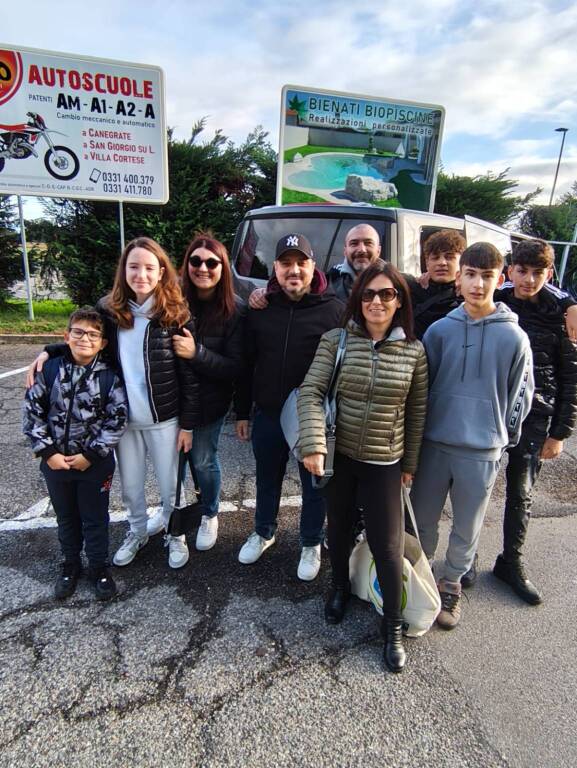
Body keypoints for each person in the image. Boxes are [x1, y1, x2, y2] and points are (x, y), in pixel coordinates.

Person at [27, 237, 200, 570]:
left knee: (171, 486)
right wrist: (51, 350)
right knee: (131, 486)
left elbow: (189, 375)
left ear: (161, 272)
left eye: (149, 268)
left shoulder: (176, 314)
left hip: (164, 419)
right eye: (133, 267)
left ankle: (174, 533)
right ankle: (138, 531)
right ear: (124, 270)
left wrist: (188, 424)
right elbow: (88, 341)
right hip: (123, 421)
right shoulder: (109, 309)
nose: (141, 275)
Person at [298, 260, 428, 673]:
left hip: (384, 461)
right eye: (369, 293)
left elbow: (417, 413)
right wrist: (314, 445)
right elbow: (310, 391)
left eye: (387, 294)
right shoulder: (336, 339)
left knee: (388, 545)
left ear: (399, 300)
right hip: (339, 456)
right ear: (358, 299)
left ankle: (392, 624)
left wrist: (409, 464)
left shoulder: (414, 350)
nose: (377, 301)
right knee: (337, 530)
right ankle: (338, 587)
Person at [410, 242, 535, 630]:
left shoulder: (514, 337)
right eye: (470, 275)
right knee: (422, 522)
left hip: (482, 450)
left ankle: (451, 584)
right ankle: (421, 578)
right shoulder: (439, 331)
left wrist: (502, 438)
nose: (478, 284)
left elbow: (521, 394)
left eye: (486, 276)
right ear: (459, 279)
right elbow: (421, 388)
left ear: (500, 279)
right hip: (434, 444)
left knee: (467, 526)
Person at [235, 233, 344, 580]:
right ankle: (264, 531)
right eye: (286, 263)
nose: (293, 270)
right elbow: (246, 363)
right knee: (267, 478)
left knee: (315, 485)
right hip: (268, 413)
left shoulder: (334, 310)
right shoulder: (261, 309)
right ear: (275, 268)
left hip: (311, 419)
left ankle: (310, 542)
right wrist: (242, 411)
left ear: (313, 266)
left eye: (301, 262)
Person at [490, 239, 577, 604]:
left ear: (549, 274)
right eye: (522, 271)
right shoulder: (496, 299)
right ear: (510, 271)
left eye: (537, 272)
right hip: (492, 412)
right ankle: (464, 562)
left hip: (536, 416)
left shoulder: (561, 313)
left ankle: (511, 562)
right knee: (473, 490)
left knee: (521, 493)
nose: (528, 280)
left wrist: (560, 432)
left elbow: (570, 376)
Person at [23, 307, 128, 600]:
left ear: (103, 343)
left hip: (94, 465)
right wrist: (48, 453)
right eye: (78, 332)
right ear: (66, 336)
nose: (85, 339)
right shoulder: (49, 371)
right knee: (66, 517)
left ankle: (98, 567)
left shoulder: (109, 377)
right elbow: (32, 413)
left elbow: (117, 420)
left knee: (95, 518)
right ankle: (70, 564)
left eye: (93, 335)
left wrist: (91, 455)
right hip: (55, 463)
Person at [151, 232, 246, 551]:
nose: (203, 268)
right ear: (186, 264)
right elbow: (115, 314)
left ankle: (209, 512)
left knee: (203, 462)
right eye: (195, 261)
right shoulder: (170, 300)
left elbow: (236, 367)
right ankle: (171, 511)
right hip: (168, 402)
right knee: (171, 466)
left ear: (223, 268)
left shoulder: (235, 310)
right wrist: (55, 351)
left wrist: (197, 354)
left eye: (211, 263)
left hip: (209, 405)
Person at [248, 223, 382, 310]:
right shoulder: (331, 281)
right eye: (354, 243)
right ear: (345, 250)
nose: (361, 249)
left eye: (368, 243)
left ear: (378, 250)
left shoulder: (393, 283)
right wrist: (264, 292)